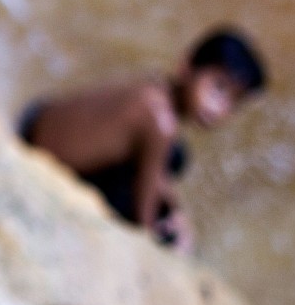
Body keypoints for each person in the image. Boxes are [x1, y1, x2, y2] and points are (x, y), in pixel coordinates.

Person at [15, 28, 268, 252]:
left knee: (173, 157)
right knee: (161, 201)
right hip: (43, 157)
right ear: (186, 66)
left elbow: (153, 167)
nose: (219, 108)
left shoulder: (154, 88)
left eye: (233, 103)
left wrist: (175, 206)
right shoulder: (162, 124)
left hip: (34, 120)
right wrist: (172, 236)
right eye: (218, 88)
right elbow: (142, 220)